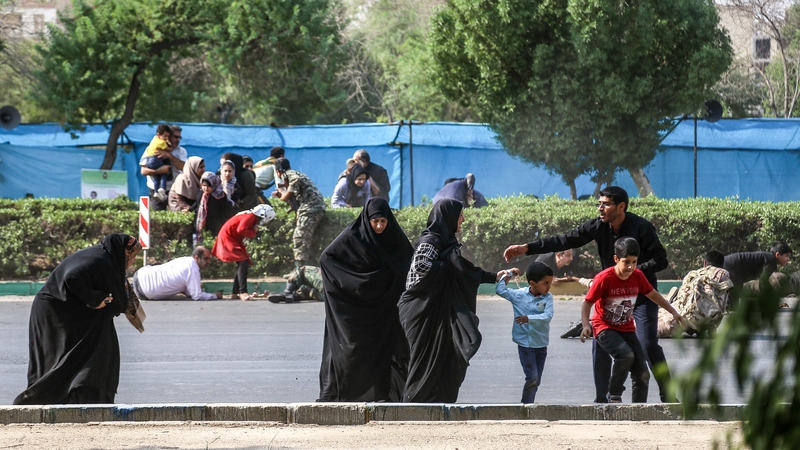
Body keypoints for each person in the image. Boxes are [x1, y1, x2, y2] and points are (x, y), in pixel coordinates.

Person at [503, 186, 674, 403]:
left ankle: (669, 397)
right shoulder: (598, 226)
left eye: (606, 204)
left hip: (641, 294)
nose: (600, 208)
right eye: (599, 203)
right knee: (601, 343)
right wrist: (527, 248)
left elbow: (661, 259)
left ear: (621, 206)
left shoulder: (642, 227)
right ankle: (602, 400)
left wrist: (632, 273)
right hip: (610, 296)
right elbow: (565, 240)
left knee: (648, 344)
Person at [14, 234, 142, 405]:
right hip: (56, 312)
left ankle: (81, 399)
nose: (132, 262)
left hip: (71, 310)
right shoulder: (101, 260)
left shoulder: (104, 257)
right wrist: (94, 299)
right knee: (62, 357)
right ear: (124, 253)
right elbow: (72, 276)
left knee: (91, 349)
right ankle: (39, 399)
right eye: (133, 256)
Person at [399, 198, 504, 403]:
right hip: (421, 309)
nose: (462, 219)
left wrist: (493, 276)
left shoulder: (446, 242)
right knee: (423, 361)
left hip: (434, 308)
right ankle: (413, 406)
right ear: (448, 217)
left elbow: (463, 269)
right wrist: (447, 267)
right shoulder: (431, 241)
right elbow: (420, 266)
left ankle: (436, 403)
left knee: (444, 357)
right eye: (460, 215)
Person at [317, 198, 414, 402]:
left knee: (386, 352)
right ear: (366, 220)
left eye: (383, 221)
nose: (379, 226)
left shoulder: (394, 239)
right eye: (375, 221)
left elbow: (408, 265)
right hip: (358, 307)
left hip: (386, 309)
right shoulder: (352, 237)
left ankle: (385, 395)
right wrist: (356, 284)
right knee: (354, 352)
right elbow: (326, 259)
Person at [579, 237, 683, 404]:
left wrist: (673, 311)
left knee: (643, 373)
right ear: (616, 259)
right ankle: (614, 393)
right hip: (604, 327)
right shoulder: (604, 278)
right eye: (626, 262)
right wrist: (585, 325)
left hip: (626, 329)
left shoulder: (638, 276)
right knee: (625, 355)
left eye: (634, 262)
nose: (630, 267)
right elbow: (587, 303)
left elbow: (652, 294)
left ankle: (638, 409)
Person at [495, 261, 555, 404]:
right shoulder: (519, 295)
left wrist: (528, 318)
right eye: (545, 283)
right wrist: (509, 274)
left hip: (541, 344)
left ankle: (527, 404)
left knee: (536, 380)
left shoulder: (548, 297)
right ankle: (526, 407)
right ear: (532, 283)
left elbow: (548, 316)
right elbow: (500, 290)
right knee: (532, 377)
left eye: (550, 283)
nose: (549, 286)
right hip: (525, 345)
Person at [657, 250, 733, 338]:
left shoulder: (695, 273)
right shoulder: (723, 273)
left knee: (654, 324)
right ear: (722, 265)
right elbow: (721, 305)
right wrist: (712, 330)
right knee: (660, 330)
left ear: (705, 263)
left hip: (679, 309)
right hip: (694, 317)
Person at [271, 158, 326, 271]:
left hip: (311, 208)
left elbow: (286, 196)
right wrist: (282, 193)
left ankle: (300, 271)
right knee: (303, 237)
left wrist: (281, 191)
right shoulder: (293, 174)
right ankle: (302, 269)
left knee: (300, 237)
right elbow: (292, 198)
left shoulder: (291, 175)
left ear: (278, 171)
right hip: (310, 208)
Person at [211, 204, 276, 301]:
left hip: (231, 238)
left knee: (242, 263)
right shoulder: (251, 216)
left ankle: (235, 293)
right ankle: (242, 292)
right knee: (243, 261)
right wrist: (253, 232)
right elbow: (241, 229)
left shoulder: (251, 216)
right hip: (228, 238)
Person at [132, 246, 222, 301]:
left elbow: (188, 290)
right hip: (145, 293)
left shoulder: (184, 260)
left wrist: (192, 289)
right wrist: (215, 296)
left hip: (140, 274)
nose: (208, 262)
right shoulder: (193, 269)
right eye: (206, 259)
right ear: (196, 258)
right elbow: (197, 296)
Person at [723, 242, 792, 308]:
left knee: (734, 293)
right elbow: (763, 282)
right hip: (731, 266)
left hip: (728, 263)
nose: (788, 259)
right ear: (777, 255)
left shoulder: (768, 258)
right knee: (734, 296)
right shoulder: (771, 261)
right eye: (786, 256)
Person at [140, 124, 187, 211]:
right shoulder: (153, 148)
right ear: (168, 136)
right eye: (175, 137)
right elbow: (143, 171)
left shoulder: (181, 151)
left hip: (174, 190)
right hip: (156, 190)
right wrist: (159, 171)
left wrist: (169, 155)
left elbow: (184, 167)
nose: (178, 140)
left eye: (179, 137)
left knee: (175, 216)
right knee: (159, 217)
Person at [195, 171, 236, 239]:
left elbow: (226, 210)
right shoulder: (201, 194)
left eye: (209, 186)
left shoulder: (220, 195)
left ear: (214, 184)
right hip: (204, 225)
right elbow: (197, 205)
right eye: (204, 185)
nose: (206, 188)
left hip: (216, 226)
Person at [143, 124, 174, 202]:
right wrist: (171, 146)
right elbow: (169, 149)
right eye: (165, 136)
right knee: (164, 172)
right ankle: (162, 188)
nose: (167, 138)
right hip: (155, 159)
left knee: (156, 177)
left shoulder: (155, 139)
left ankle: (156, 191)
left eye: (168, 136)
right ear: (159, 135)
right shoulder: (161, 142)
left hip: (149, 160)